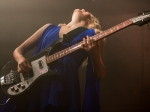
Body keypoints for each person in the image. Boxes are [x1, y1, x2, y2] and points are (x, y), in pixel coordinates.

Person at [0, 9, 106, 112]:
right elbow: (18, 50)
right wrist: (20, 59)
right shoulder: (48, 28)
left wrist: (94, 55)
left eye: (85, 11)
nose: (82, 8)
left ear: (90, 21)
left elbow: (100, 74)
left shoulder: (94, 34)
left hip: (62, 85)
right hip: (33, 81)